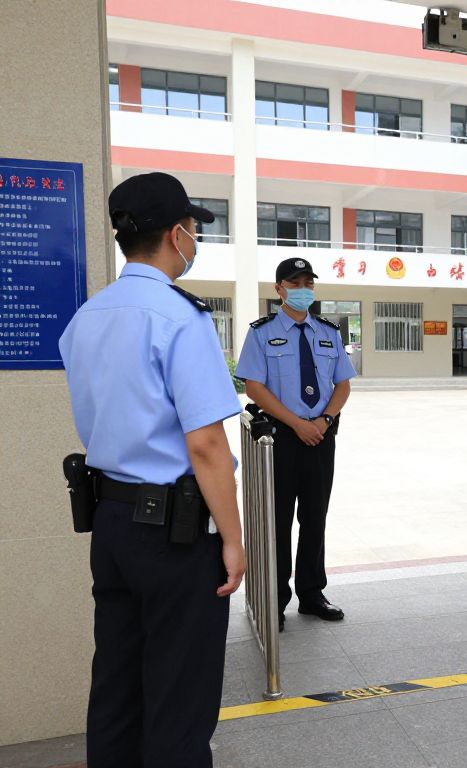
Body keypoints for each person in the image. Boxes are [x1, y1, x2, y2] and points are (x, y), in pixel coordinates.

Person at [58, 172, 246, 768]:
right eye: (192, 227)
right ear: (176, 233)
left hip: (111, 525)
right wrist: (235, 541)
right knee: (179, 699)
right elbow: (208, 446)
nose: (194, 238)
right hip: (175, 533)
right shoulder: (179, 317)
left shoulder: (88, 316)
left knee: (116, 686)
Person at [235, 258, 356, 631]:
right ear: (279, 289)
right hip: (281, 440)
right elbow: (253, 386)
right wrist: (297, 424)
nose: (303, 288)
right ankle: (275, 599)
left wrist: (324, 421)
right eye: (295, 282)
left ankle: (312, 594)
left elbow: (343, 384)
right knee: (278, 520)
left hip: (320, 436)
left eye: (308, 282)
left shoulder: (328, 332)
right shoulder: (261, 333)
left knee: (314, 518)